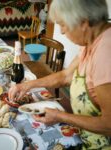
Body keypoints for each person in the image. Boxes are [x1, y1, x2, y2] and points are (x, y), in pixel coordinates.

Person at [8, 0, 111, 149]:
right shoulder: (92, 40)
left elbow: (108, 124)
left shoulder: (105, 53)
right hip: (87, 134)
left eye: (63, 24)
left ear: (83, 22)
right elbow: (66, 76)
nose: (62, 31)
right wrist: (27, 85)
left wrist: (61, 116)